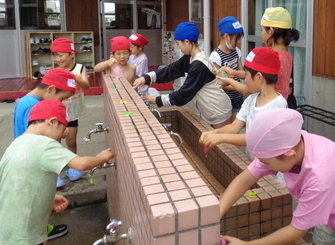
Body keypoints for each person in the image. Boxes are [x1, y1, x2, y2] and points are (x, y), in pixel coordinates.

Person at [0, 99, 115, 245]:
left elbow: (16, 182)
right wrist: (101, 158)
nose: (62, 136)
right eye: (62, 131)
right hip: (25, 231)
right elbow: (81, 164)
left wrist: (48, 198)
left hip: (7, 224)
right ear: (52, 122)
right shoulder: (45, 144)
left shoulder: (17, 143)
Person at [220, 108, 335, 245]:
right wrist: (216, 213)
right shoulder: (290, 142)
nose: (262, 165)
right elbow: (245, 179)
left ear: (289, 155)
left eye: (266, 162)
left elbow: (295, 232)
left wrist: (246, 244)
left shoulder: (318, 177)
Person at [13, 68, 76, 241]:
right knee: (34, 202)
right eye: (62, 99)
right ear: (50, 90)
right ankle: (39, 234)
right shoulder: (34, 107)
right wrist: (61, 132)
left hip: (27, 159)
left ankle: (41, 229)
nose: (61, 103)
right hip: (33, 162)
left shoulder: (25, 101)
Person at [133, 22, 232, 129]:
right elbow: (171, 70)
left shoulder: (199, 65)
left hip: (218, 109)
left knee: (220, 144)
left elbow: (184, 93)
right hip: (209, 107)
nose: (178, 47)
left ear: (187, 42)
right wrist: (147, 78)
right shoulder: (190, 58)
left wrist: (157, 99)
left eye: (178, 43)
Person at [199, 47, 287, 149]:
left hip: (269, 163)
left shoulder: (279, 106)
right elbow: (234, 127)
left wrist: (221, 137)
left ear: (259, 77)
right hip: (252, 161)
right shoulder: (251, 100)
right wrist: (212, 133)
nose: (245, 79)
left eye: (246, 75)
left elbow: (256, 139)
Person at [220, 7, 299, 107]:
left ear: (271, 30)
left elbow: (249, 90)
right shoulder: (287, 55)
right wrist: (235, 73)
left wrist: (229, 82)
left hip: (267, 109)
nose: (261, 34)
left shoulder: (271, 57)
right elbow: (258, 73)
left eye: (262, 30)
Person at [51, 37, 90, 187]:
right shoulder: (55, 71)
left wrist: (76, 78)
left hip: (73, 111)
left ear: (72, 54)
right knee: (55, 141)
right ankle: (55, 172)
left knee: (71, 140)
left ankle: (72, 166)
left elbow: (86, 86)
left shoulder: (80, 68)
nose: (57, 59)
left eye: (61, 55)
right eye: (55, 55)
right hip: (57, 111)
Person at [209, 16, 244, 122]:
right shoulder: (215, 56)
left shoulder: (237, 51)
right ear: (226, 36)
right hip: (224, 99)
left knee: (236, 127)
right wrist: (239, 87)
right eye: (236, 39)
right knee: (227, 127)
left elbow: (242, 72)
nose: (238, 42)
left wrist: (239, 86)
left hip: (238, 97)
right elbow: (220, 83)